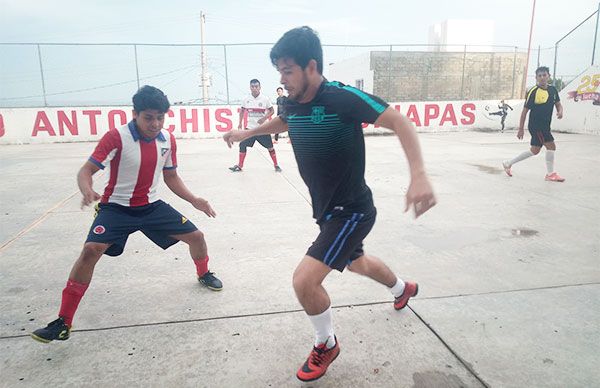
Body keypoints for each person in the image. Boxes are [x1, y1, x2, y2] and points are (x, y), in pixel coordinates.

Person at [224, 26, 436, 382]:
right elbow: (284, 119)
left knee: (304, 282)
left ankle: (327, 343)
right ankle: (403, 288)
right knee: (359, 264)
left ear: (311, 67)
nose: (282, 78)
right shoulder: (291, 101)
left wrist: (418, 174)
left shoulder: (342, 98)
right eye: (279, 70)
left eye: (287, 70)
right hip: (327, 212)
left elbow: (399, 121)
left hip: (351, 211)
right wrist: (247, 133)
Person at [30, 85, 223, 344]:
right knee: (90, 250)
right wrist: (87, 190)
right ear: (135, 114)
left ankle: (203, 273)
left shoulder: (167, 140)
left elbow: (171, 176)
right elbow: (85, 171)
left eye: (160, 118)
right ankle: (62, 322)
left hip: (152, 207)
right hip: (116, 208)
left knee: (197, 237)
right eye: (148, 117)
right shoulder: (116, 137)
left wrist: (194, 199)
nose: (155, 124)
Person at [502, 66, 564, 182]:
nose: (542, 78)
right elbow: (524, 112)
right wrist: (521, 128)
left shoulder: (553, 90)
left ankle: (508, 163)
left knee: (535, 150)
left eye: (544, 75)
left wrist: (560, 111)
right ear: (536, 78)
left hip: (545, 125)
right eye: (539, 76)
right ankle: (550, 174)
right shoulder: (533, 92)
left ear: (548, 76)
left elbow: (558, 104)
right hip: (536, 126)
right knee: (551, 146)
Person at [229, 79, 281, 172]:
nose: (254, 88)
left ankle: (276, 165)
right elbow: (242, 111)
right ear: (250, 87)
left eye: (256, 86)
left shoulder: (265, 99)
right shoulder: (246, 99)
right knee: (242, 144)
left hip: (263, 129)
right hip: (250, 129)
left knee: (270, 147)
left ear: (260, 87)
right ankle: (240, 166)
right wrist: (240, 123)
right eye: (252, 87)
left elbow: (272, 110)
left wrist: (264, 118)